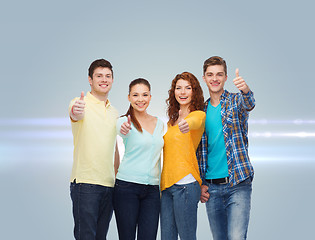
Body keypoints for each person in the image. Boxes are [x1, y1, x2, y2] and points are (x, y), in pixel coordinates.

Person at [197, 56, 255, 240]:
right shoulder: (201, 111)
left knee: (237, 237)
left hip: (238, 184)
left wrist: (245, 89)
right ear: (204, 78)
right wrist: (201, 184)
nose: (215, 78)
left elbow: (249, 103)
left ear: (226, 77)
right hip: (211, 187)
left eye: (219, 74)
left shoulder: (236, 101)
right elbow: (199, 152)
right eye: (210, 75)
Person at [68, 59, 120, 240]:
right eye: (99, 76)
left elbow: (113, 148)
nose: (104, 80)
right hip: (85, 183)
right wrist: (77, 110)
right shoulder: (79, 102)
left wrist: (117, 176)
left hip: (109, 185)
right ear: (90, 80)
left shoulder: (114, 112)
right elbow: (75, 114)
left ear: (112, 80)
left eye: (108, 76)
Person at [113, 78, 164, 240]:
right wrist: (124, 129)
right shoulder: (123, 122)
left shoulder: (160, 124)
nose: (140, 99)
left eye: (144, 95)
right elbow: (113, 140)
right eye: (135, 95)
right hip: (126, 188)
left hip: (152, 191)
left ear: (150, 97)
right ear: (129, 97)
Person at [160, 72, 206, 240]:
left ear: (194, 91)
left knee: (187, 237)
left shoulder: (198, 115)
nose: (183, 92)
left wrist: (186, 123)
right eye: (178, 88)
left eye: (188, 88)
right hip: (166, 187)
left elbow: (194, 122)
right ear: (174, 92)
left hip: (186, 186)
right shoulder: (170, 123)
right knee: (167, 237)